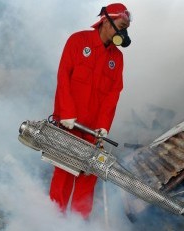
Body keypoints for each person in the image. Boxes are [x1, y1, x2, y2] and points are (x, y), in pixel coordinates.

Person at [49, 3, 132, 219]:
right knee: (64, 172)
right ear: (106, 20)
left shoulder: (117, 58)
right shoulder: (78, 41)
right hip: (70, 124)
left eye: (126, 28)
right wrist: (65, 112)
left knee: (88, 175)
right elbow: (63, 77)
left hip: (93, 131)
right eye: (121, 26)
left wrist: (104, 126)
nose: (123, 33)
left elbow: (113, 94)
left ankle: (78, 225)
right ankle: (54, 222)